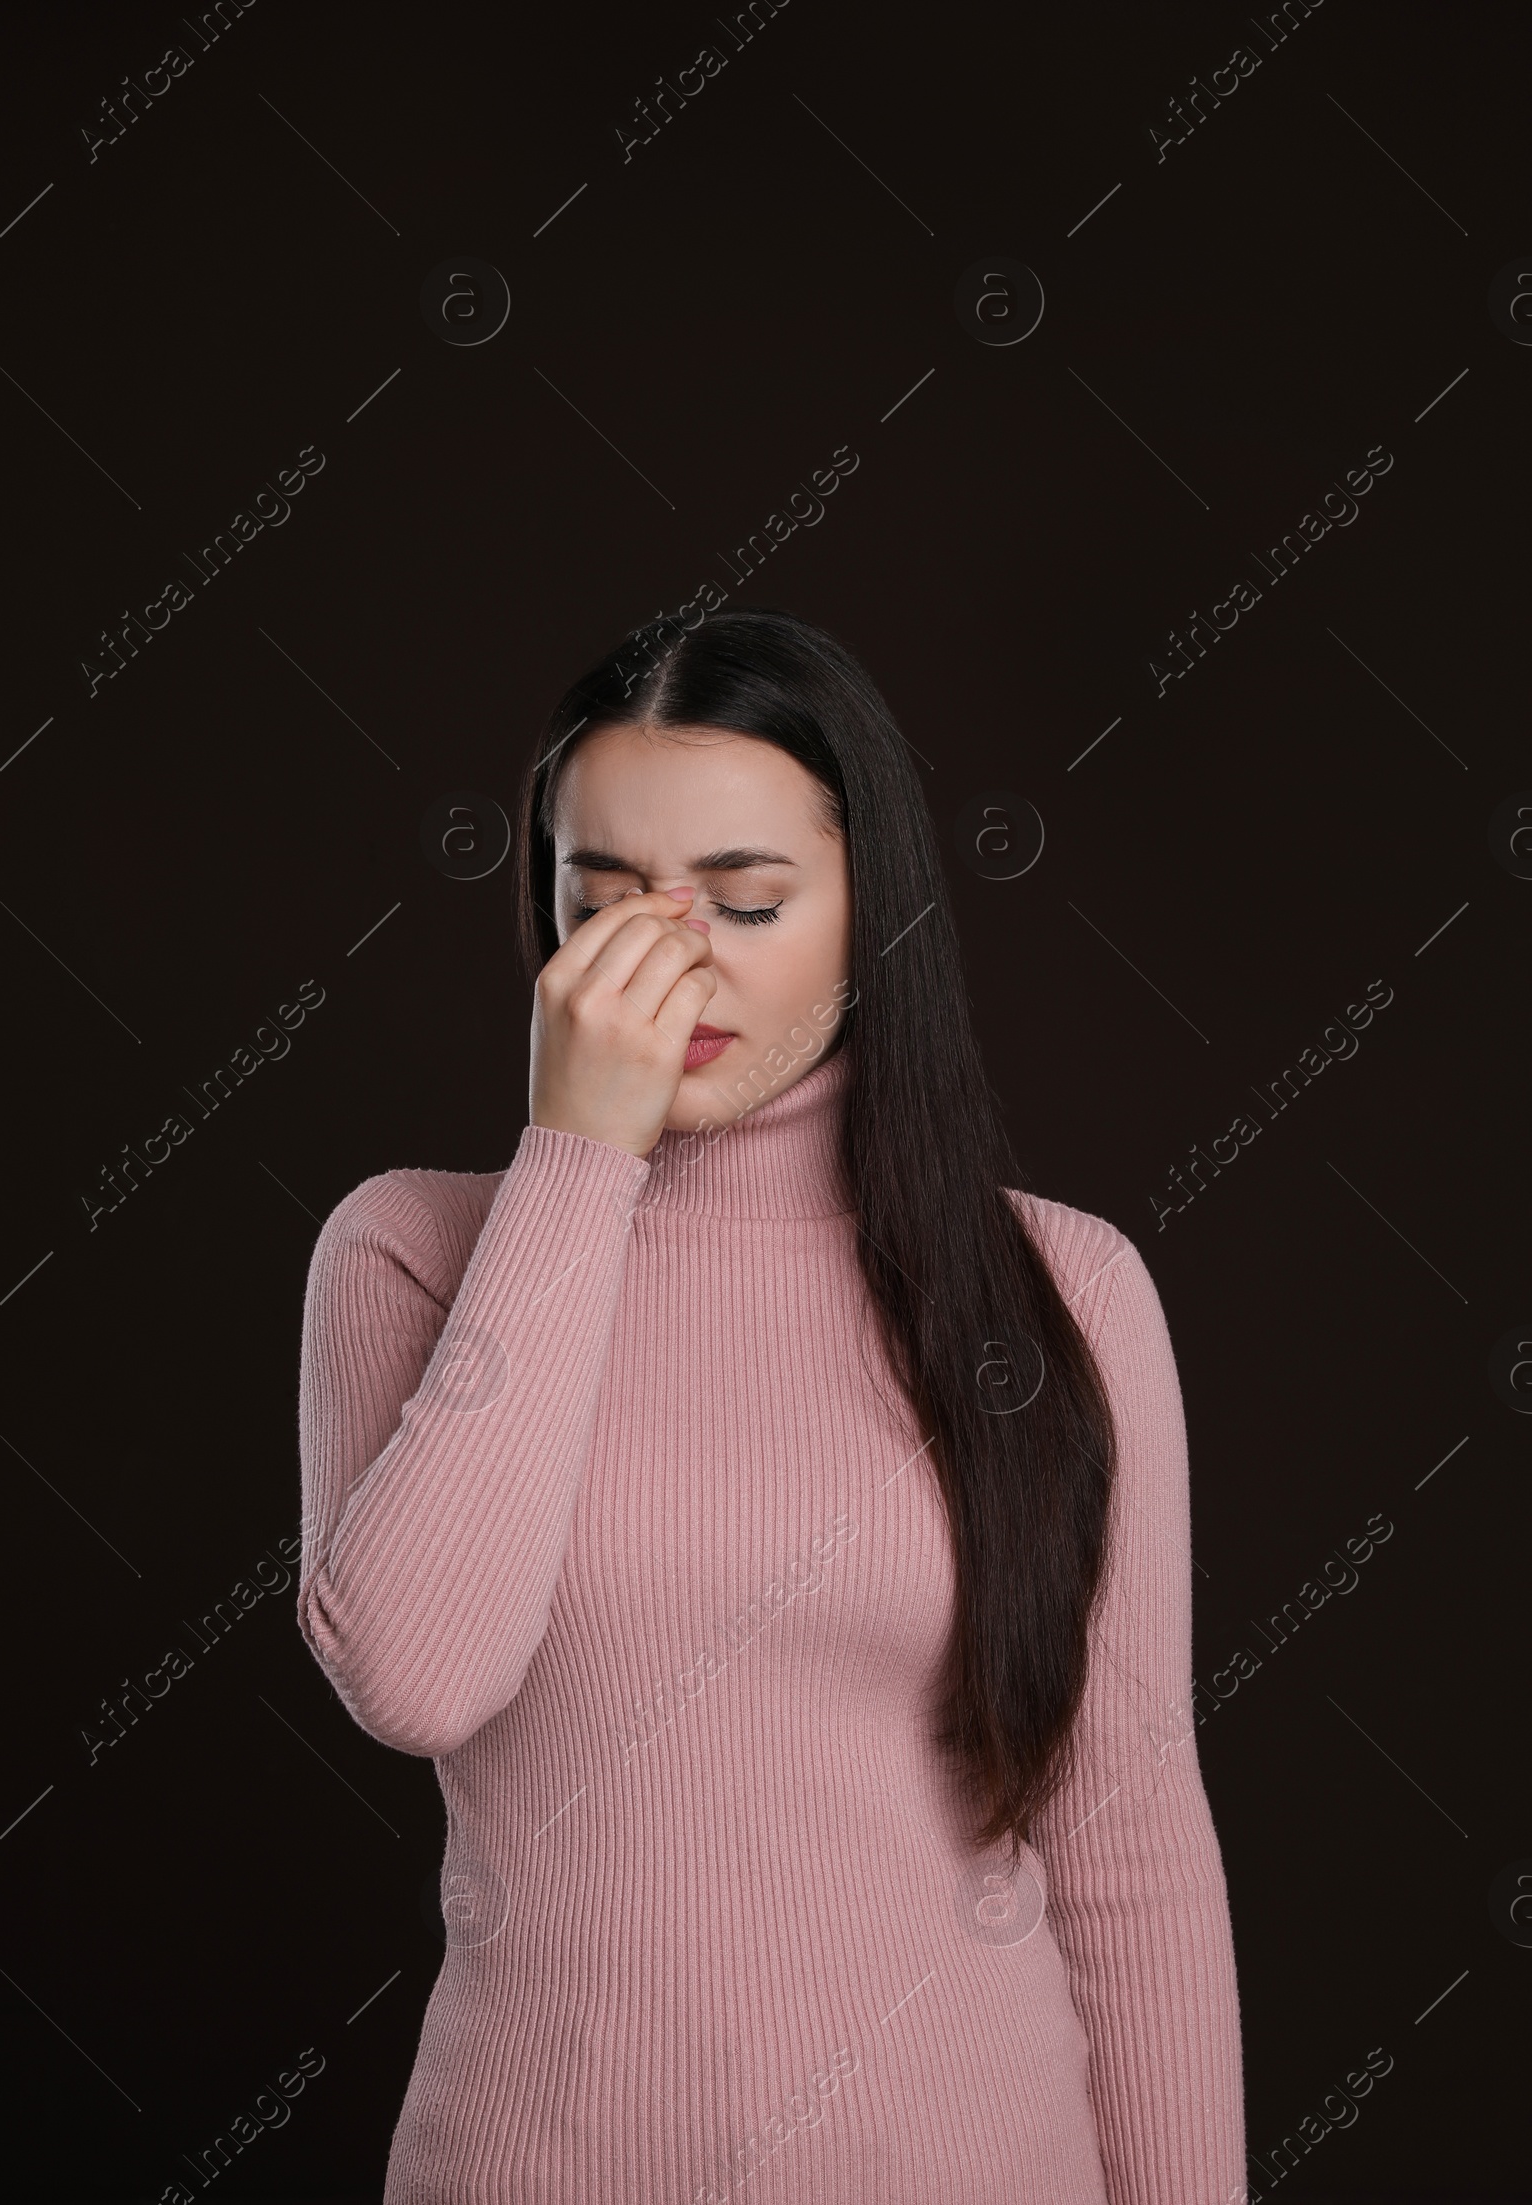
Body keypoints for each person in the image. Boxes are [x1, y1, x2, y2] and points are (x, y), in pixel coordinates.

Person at [296, 606, 1248, 2203]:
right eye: (599, 897)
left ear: (873, 905)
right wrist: (581, 1156)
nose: (668, 958)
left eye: (744, 899)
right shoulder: (407, 1249)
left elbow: (1130, 1842)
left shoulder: (1060, 1290)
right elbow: (416, 1674)